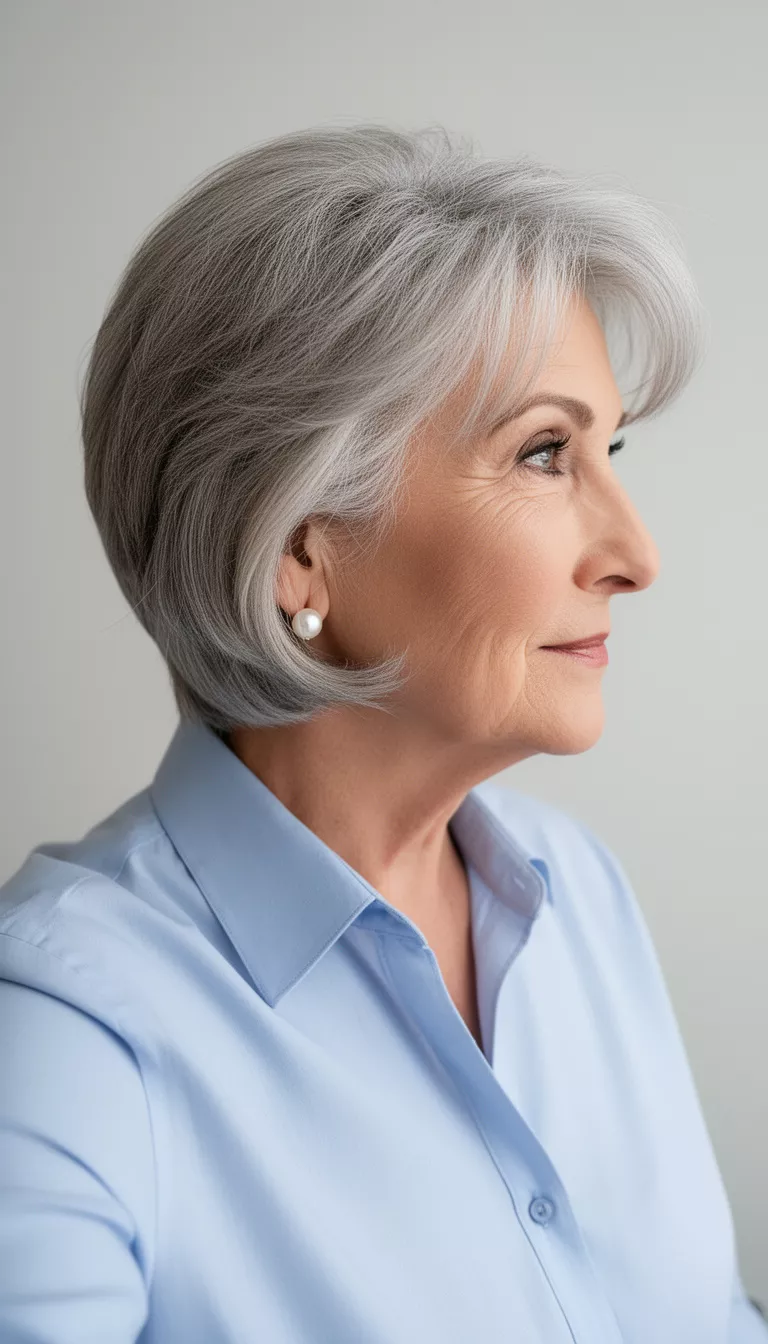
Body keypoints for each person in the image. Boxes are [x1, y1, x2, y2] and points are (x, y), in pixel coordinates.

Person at [1, 123, 765, 1344]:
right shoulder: (62, 1035)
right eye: (543, 453)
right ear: (303, 543)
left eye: (608, 450)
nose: (637, 555)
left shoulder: (585, 902)